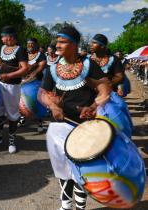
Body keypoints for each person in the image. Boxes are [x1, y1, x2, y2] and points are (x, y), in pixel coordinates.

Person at [37, 26, 111, 210]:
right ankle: (65, 205)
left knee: (81, 168)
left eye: (63, 41)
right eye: (57, 41)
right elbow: (41, 93)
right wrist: (52, 105)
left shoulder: (88, 65)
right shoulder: (53, 68)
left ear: (75, 44)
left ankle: (80, 206)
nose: (57, 44)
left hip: (83, 126)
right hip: (59, 125)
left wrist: (93, 107)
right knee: (62, 168)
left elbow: (105, 89)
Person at [0, 25, 29, 153]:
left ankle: (11, 141)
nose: (2, 39)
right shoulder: (3, 47)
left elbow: (25, 68)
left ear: (10, 37)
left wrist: (9, 75)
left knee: (12, 114)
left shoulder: (20, 50)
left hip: (12, 86)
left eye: (3, 36)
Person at [18, 38, 47, 132]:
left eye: (32, 44)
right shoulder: (24, 55)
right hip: (23, 82)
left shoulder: (40, 55)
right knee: (22, 102)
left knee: (37, 102)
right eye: (28, 44)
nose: (30, 45)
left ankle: (40, 123)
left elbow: (41, 67)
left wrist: (32, 74)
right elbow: (20, 66)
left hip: (36, 82)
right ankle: (23, 118)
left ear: (36, 45)